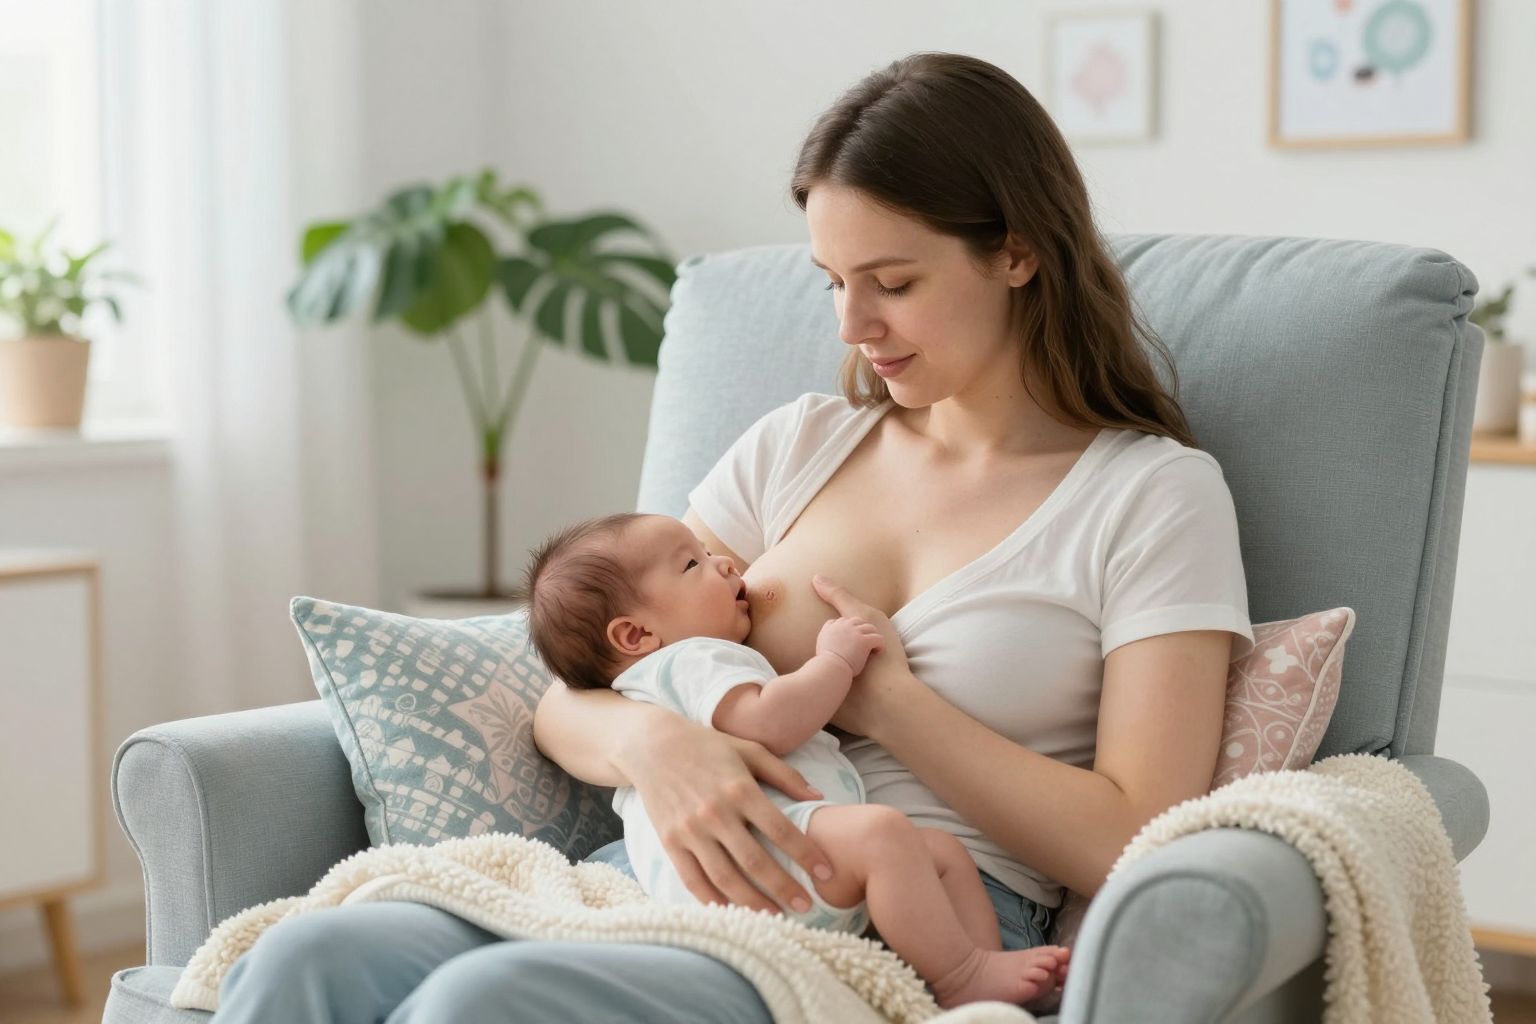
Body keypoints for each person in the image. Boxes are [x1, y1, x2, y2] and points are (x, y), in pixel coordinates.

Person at [212, 51, 1253, 1022]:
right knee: (303, 959)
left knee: (483, 1004)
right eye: (833, 283)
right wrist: (659, 744)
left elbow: (1132, 835)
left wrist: (890, 704)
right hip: (673, 868)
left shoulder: (1152, 496)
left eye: (892, 284)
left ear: (1018, 252)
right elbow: (570, 690)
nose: (852, 326)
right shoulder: (797, 446)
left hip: (909, 914)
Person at [517, 510, 1071, 1008]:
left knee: (937, 851)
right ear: (637, 633)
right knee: (886, 836)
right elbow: (771, 722)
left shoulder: (662, 672)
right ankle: (961, 975)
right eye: (694, 563)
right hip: (769, 858)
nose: (727, 563)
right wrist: (835, 661)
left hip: (763, 863)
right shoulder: (690, 661)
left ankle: (978, 970)